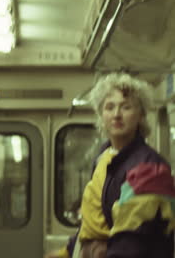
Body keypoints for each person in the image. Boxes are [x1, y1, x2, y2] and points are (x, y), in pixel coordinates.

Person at [46, 73, 175, 258]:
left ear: (140, 116)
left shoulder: (148, 168)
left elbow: (131, 244)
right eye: (109, 107)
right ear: (101, 115)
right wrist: (68, 251)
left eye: (126, 107)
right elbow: (93, 222)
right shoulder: (105, 157)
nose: (116, 115)